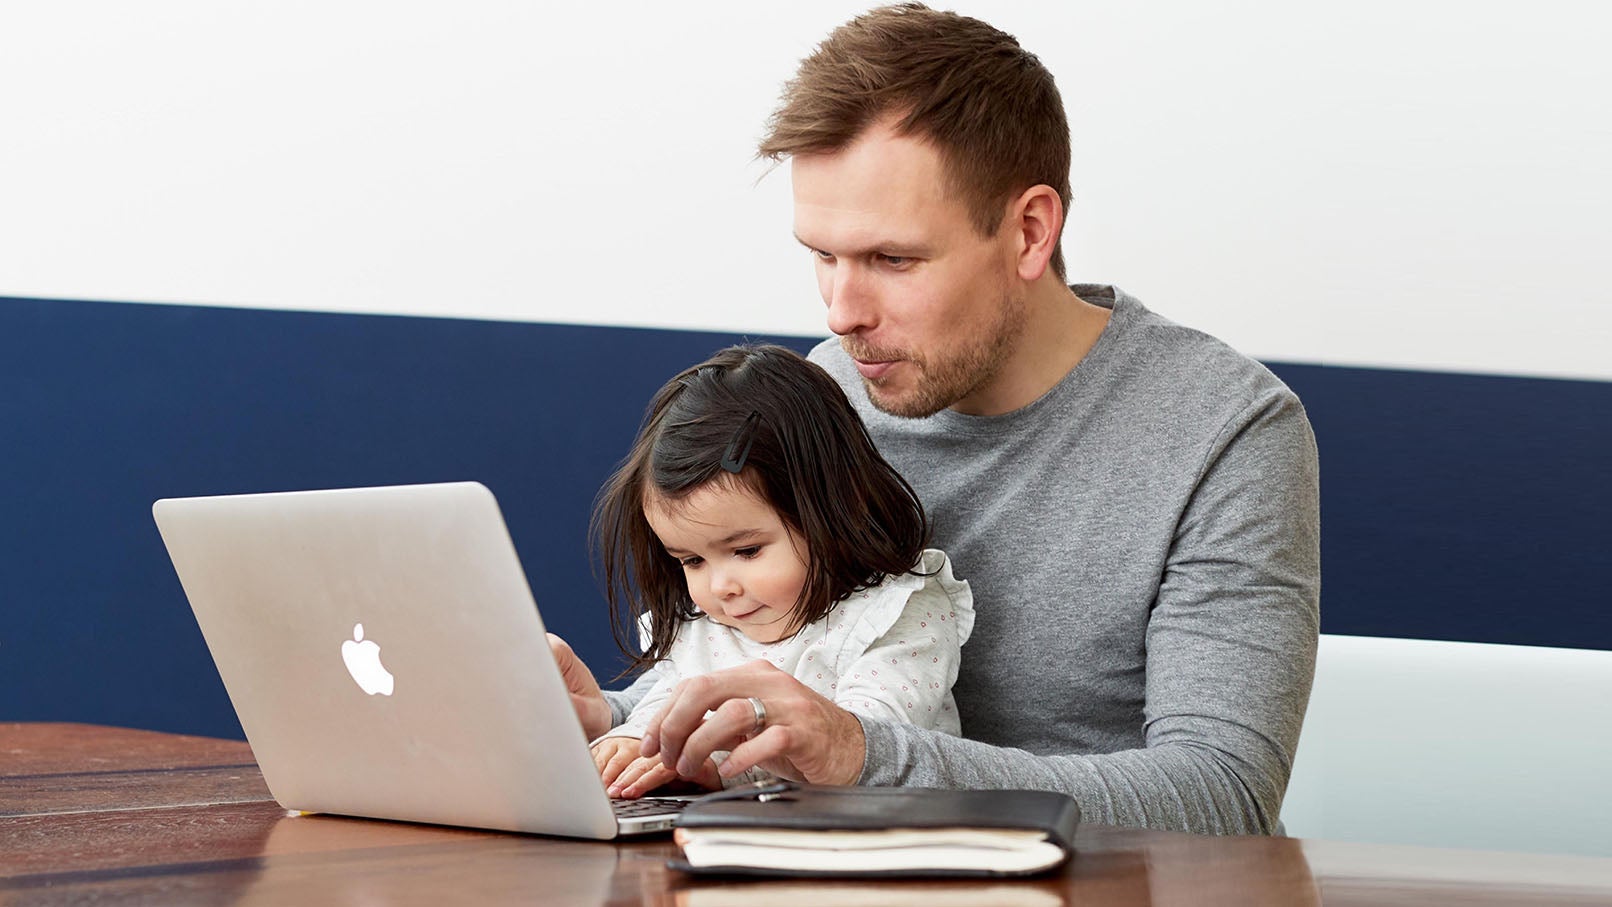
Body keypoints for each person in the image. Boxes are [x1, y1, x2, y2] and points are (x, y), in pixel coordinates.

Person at [551, 2, 1320, 836]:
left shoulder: (1226, 433)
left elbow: (1223, 800)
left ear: (1029, 230)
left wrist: (861, 756)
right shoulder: (829, 390)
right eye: (822, 255)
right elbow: (773, 669)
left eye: (893, 259)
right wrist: (620, 722)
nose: (843, 312)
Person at [584, 343, 974, 797]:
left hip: (887, 839)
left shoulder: (897, 615)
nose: (720, 587)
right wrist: (632, 743)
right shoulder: (713, 622)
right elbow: (672, 699)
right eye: (691, 561)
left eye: (747, 551)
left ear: (831, 511)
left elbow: (864, 747)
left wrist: (717, 767)